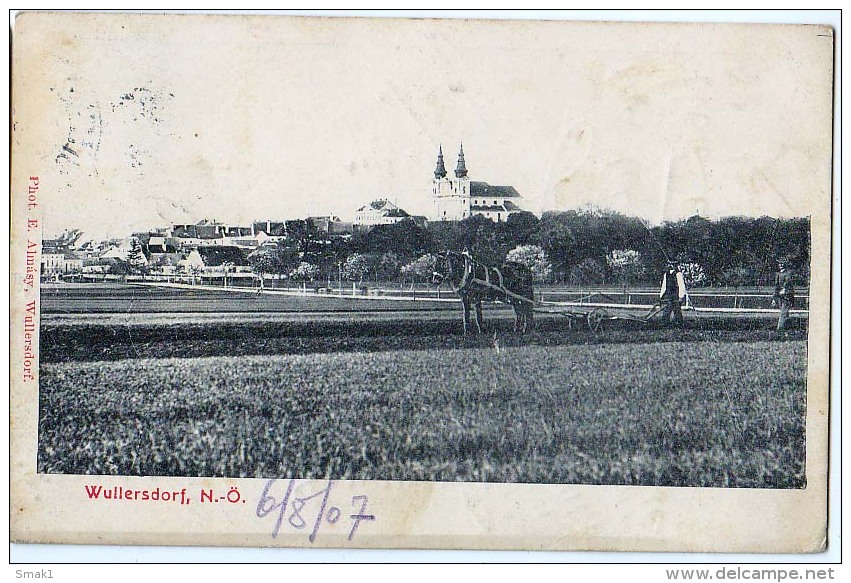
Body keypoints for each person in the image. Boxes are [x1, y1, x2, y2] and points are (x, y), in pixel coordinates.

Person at [659, 262, 686, 327]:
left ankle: (679, 323)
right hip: (668, 294)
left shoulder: (678, 274)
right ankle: (665, 323)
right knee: (667, 309)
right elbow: (664, 285)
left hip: (675, 295)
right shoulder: (666, 274)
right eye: (670, 264)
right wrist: (661, 295)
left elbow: (681, 286)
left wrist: (681, 296)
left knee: (677, 310)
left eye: (673, 265)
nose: (671, 266)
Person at [773, 259, 795, 332]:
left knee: (783, 312)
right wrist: (774, 298)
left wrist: (784, 289)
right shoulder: (778, 274)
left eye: (782, 263)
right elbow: (776, 286)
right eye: (780, 264)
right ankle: (788, 328)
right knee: (784, 312)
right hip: (780, 295)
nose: (781, 265)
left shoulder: (788, 273)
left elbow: (787, 282)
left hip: (787, 295)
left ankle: (779, 329)